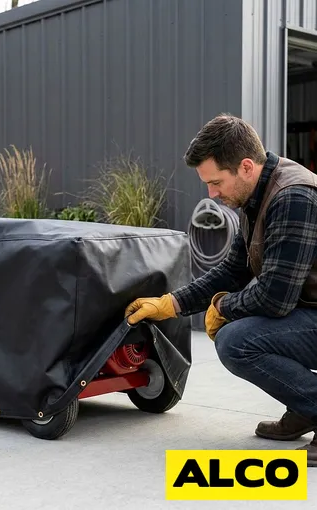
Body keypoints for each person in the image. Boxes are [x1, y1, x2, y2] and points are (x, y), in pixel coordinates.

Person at [125, 113, 317, 468]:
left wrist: (222, 307)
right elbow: (232, 271)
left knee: (237, 340)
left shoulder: (294, 197)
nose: (212, 194)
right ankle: (306, 408)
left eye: (216, 183)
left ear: (246, 167)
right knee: (239, 332)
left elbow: (275, 298)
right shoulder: (254, 196)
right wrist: (170, 303)